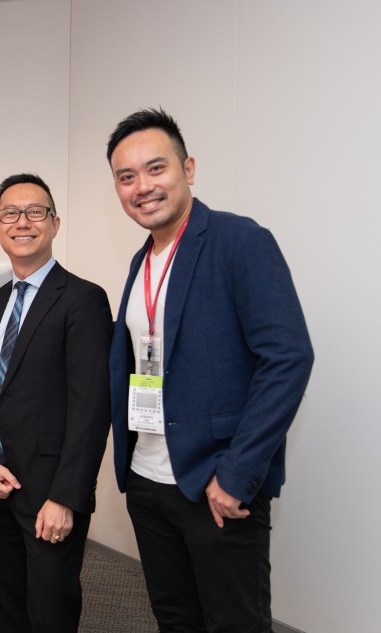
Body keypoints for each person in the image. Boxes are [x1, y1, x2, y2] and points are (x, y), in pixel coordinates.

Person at [106, 108, 315, 633]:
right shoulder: (141, 261)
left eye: (156, 168)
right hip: (148, 480)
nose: (142, 187)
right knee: (175, 619)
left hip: (214, 485)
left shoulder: (238, 240)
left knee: (234, 624)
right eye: (126, 177)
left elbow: (288, 358)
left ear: (189, 168)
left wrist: (236, 475)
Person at [0, 174, 112, 633]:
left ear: (55, 223)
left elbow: (91, 408)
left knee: (50, 617)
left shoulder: (83, 300)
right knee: (11, 615)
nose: (22, 222)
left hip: (50, 495)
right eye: (10, 213)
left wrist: (66, 497)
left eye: (35, 212)